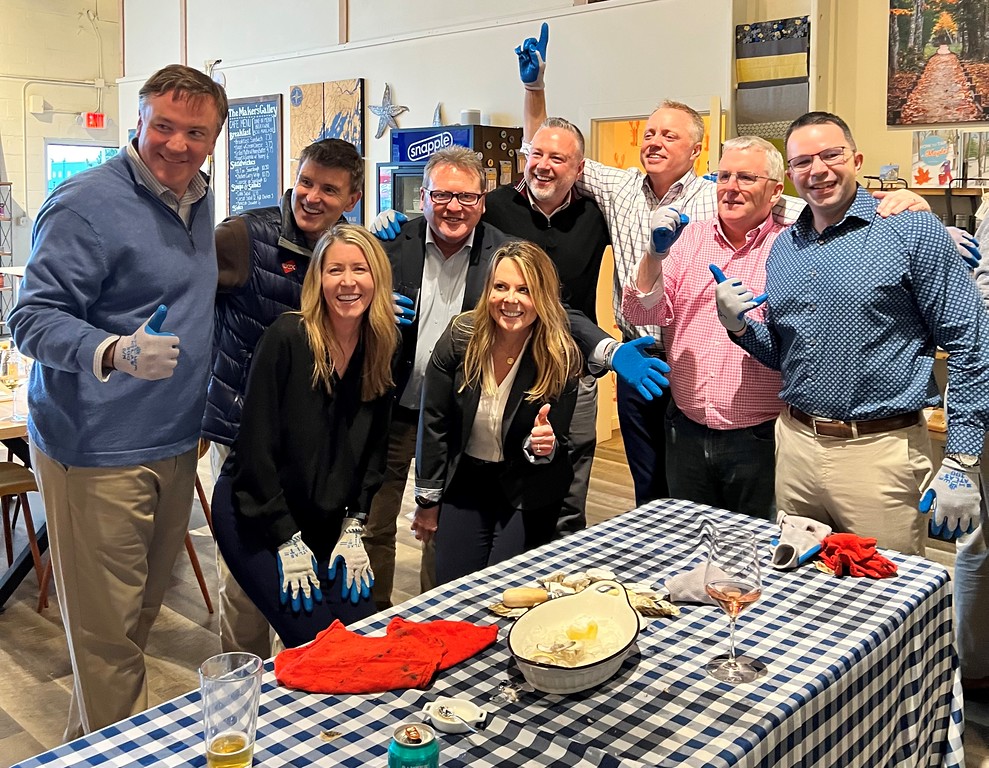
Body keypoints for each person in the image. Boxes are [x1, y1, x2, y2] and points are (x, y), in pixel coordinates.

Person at [515, 22, 931, 506]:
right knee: (653, 489)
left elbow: (825, 204)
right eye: (649, 132)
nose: (654, 141)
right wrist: (534, 89)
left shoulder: (720, 197)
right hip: (637, 355)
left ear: (695, 150)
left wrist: (904, 207)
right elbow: (547, 155)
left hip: (711, 363)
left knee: (726, 491)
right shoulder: (619, 187)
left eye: (669, 135)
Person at [8, 64, 227, 738]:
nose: (177, 144)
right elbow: (31, 321)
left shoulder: (198, 201)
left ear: (214, 139)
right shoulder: (85, 204)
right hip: (96, 451)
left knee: (132, 627)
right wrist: (113, 351)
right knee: (108, 647)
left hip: (171, 444)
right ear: (139, 121)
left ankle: (86, 751)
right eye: (163, 125)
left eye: (196, 132)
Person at [715, 111, 989, 556]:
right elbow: (787, 356)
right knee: (799, 586)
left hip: (880, 454)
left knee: (885, 597)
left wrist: (962, 457)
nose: (818, 170)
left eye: (831, 154)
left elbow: (970, 343)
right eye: (803, 162)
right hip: (797, 448)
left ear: (856, 158)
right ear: (789, 175)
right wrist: (739, 327)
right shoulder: (785, 247)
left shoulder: (909, 228)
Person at [202, 138, 364, 659]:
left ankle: (290, 681)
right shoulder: (244, 236)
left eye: (329, 189)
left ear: (353, 198)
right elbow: (186, 300)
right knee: (249, 583)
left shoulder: (349, 254)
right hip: (242, 438)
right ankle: (241, 683)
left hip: (311, 448)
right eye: (306, 182)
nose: (311, 197)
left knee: (301, 578)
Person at [211, 224, 398, 648]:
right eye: (335, 270)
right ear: (317, 279)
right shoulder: (288, 337)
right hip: (257, 512)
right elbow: (255, 452)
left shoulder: (384, 344)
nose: (348, 282)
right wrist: (285, 538)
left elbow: (374, 452)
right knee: (317, 642)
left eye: (359, 269)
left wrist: (355, 525)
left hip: (328, 519)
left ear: (377, 278)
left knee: (362, 634)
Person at [621, 136, 787, 519]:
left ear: (775, 191)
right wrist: (654, 253)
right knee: (688, 546)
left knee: (754, 552)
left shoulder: (790, 245)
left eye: (746, 177)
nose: (731, 187)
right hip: (686, 429)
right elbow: (642, 311)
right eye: (724, 175)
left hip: (759, 437)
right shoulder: (690, 238)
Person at [413, 240, 581, 583]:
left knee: (506, 590)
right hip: (466, 479)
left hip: (526, 485)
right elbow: (434, 422)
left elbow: (557, 442)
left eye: (524, 290)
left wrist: (542, 447)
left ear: (543, 297)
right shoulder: (461, 337)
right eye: (500, 287)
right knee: (454, 587)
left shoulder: (559, 355)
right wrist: (427, 500)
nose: (510, 299)